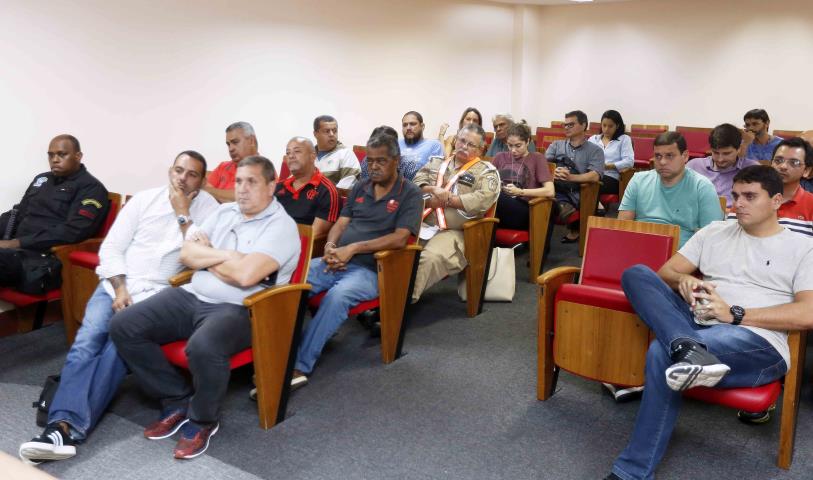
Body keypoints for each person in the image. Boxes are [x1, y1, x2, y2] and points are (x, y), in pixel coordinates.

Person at [604, 165, 813, 480]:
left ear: (776, 201)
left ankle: (631, 472)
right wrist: (686, 280)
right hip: (699, 321)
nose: (738, 203)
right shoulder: (714, 231)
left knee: (662, 353)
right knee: (637, 274)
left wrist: (736, 314)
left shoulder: (802, 247)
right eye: (735, 195)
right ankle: (688, 347)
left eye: (750, 196)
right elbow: (666, 274)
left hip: (755, 340)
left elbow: (808, 314)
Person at [18, 151, 219, 464]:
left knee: (115, 347)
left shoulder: (209, 209)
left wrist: (183, 213)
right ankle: (61, 427)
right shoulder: (144, 200)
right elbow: (111, 247)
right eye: (178, 170)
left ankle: (63, 429)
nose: (182, 178)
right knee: (86, 343)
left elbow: (202, 255)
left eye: (192, 174)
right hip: (116, 284)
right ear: (170, 171)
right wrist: (120, 288)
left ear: (202, 180)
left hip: (158, 293)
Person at [109, 156, 299, 460]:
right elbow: (187, 253)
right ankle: (175, 398)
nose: (242, 189)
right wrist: (230, 257)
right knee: (123, 325)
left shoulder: (282, 227)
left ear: (271, 186)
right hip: (191, 294)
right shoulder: (225, 212)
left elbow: (246, 277)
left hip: (242, 308)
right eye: (238, 181)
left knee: (203, 347)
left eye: (252, 182)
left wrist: (209, 256)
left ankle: (202, 420)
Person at [292, 133, 422, 386]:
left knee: (336, 298)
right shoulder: (361, 187)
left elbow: (399, 239)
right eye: (370, 161)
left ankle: (298, 365)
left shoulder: (410, 193)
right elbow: (341, 223)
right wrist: (330, 246)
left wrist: (353, 249)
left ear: (396, 161)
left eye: (381, 161)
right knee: (292, 284)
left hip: (374, 269)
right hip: (336, 260)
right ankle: (275, 352)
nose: (373, 166)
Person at [0, 134, 108, 293]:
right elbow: (17, 213)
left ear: (78, 156)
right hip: (14, 253)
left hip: (42, 258)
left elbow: (74, 231)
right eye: (51, 155)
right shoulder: (42, 179)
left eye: (62, 154)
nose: (55, 159)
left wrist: (17, 243)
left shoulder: (91, 188)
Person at [411, 123, 500, 302]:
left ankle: (398, 306)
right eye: (461, 141)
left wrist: (448, 199)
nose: (464, 147)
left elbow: (482, 200)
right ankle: (382, 295)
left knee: (429, 258)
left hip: (456, 231)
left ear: (481, 149)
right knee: (395, 251)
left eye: (471, 145)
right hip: (423, 223)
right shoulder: (436, 162)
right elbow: (414, 184)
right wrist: (432, 190)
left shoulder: (487, 173)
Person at [619, 131, 723, 247]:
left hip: (679, 257)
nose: (662, 162)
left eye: (670, 156)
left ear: (685, 156)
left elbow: (712, 238)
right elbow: (622, 227)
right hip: (638, 249)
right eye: (658, 156)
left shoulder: (702, 186)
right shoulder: (638, 180)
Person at [545, 110, 604, 243]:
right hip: (555, 186)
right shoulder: (556, 145)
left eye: (571, 125)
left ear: (584, 125)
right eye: (565, 125)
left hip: (579, 191)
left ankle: (562, 205)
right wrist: (553, 171)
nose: (566, 127)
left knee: (550, 199)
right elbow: (544, 166)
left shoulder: (595, 150)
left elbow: (595, 175)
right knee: (544, 192)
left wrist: (570, 177)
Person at [492, 122, 554, 233]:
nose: (513, 150)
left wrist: (520, 192)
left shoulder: (537, 158)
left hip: (525, 209)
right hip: (500, 209)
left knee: (495, 197)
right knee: (489, 196)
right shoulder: (499, 157)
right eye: (510, 145)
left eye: (518, 145)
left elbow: (550, 191)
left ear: (528, 141)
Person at [275, 137, 340, 238]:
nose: (291, 156)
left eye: (297, 151)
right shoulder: (278, 187)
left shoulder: (326, 191)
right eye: (288, 153)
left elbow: (315, 233)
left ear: (312, 156)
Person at [686, 123, 760, 208]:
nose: (720, 159)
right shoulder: (694, 166)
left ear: (739, 149)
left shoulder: (753, 169)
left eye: (726, 153)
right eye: (716, 152)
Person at [204, 122, 259, 203]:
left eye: (235, 142)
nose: (230, 149)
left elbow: (242, 198)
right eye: (228, 144)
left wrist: (206, 190)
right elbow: (203, 193)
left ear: (251, 141)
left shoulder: (265, 170)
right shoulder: (223, 166)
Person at [588, 110, 634, 196]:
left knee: (590, 184)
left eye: (610, 126)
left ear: (617, 126)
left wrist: (609, 166)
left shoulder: (624, 139)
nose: (606, 129)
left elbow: (629, 161)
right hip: (590, 174)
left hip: (612, 178)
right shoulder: (593, 139)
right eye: (604, 125)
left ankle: (593, 207)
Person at [313, 115, 360, 189]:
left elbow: (346, 187)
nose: (332, 134)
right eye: (327, 131)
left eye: (334, 131)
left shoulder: (346, 154)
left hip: (331, 199)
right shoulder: (308, 155)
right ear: (315, 134)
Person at [398, 111, 444, 179]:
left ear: (422, 126)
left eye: (412, 124)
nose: (408, 128)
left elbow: (434, 176)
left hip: (420, 187)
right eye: (405, 125)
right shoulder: (396, 143)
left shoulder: (434, 145)